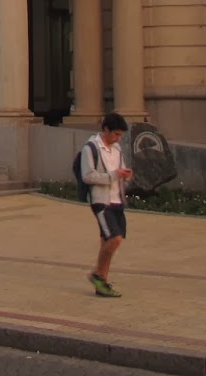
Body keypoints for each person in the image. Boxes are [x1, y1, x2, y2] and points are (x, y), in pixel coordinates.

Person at [81, 112, 134, 297]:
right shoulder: (91, 147)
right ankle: (97, 274)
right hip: (101, 201)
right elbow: (87, 176)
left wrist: (125, 175)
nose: (118, 138)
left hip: (118, 199)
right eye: (116, 134)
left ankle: (101, 281)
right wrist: (113, 175)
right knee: (114, 238)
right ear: (106, 130)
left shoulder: (117, 149)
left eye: (120, 135)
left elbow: (120, 171)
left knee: (107, 240)